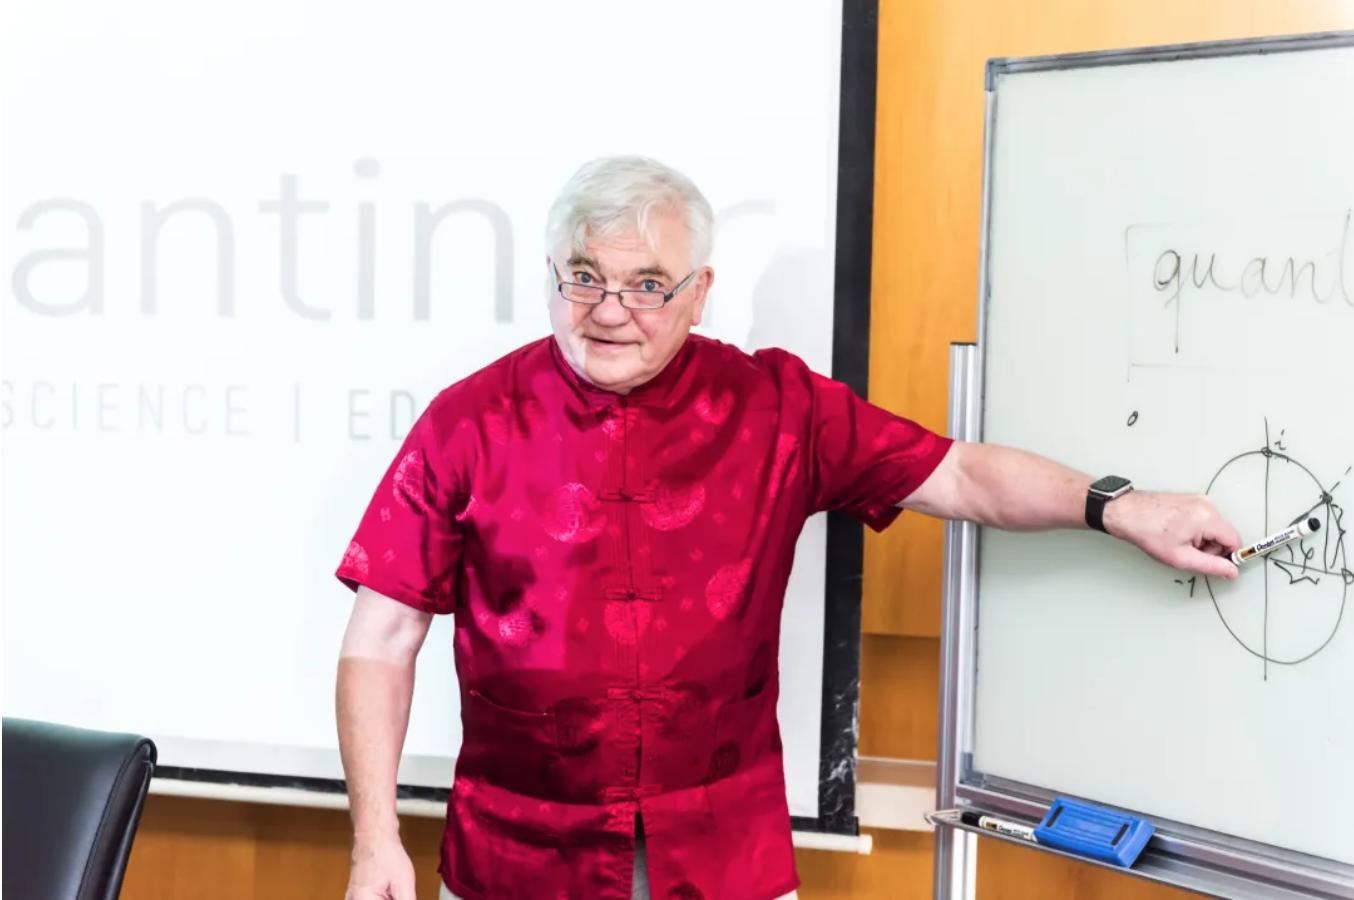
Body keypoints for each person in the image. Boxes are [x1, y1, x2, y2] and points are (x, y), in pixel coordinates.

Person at [335, 156, 1241, 900]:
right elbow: (380, 639)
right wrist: (374, 839)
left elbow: (958, 474)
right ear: (552, 275)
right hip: (519, 861)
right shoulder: (468, 422)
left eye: (646, 285)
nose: (608, 310)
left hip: (722, 856)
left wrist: (1120, 506)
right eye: (585, 277)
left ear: (699, 293)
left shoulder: (775, 407)